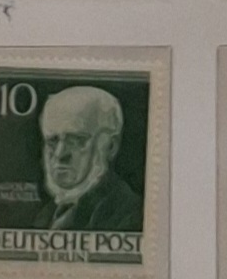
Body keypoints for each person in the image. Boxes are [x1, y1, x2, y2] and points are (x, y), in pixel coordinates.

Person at [23, 80, 140, 234]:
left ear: (110, 146)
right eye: (52, 140)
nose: (60, 154)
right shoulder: (45, 216)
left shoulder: (129, 215)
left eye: (76, 140)